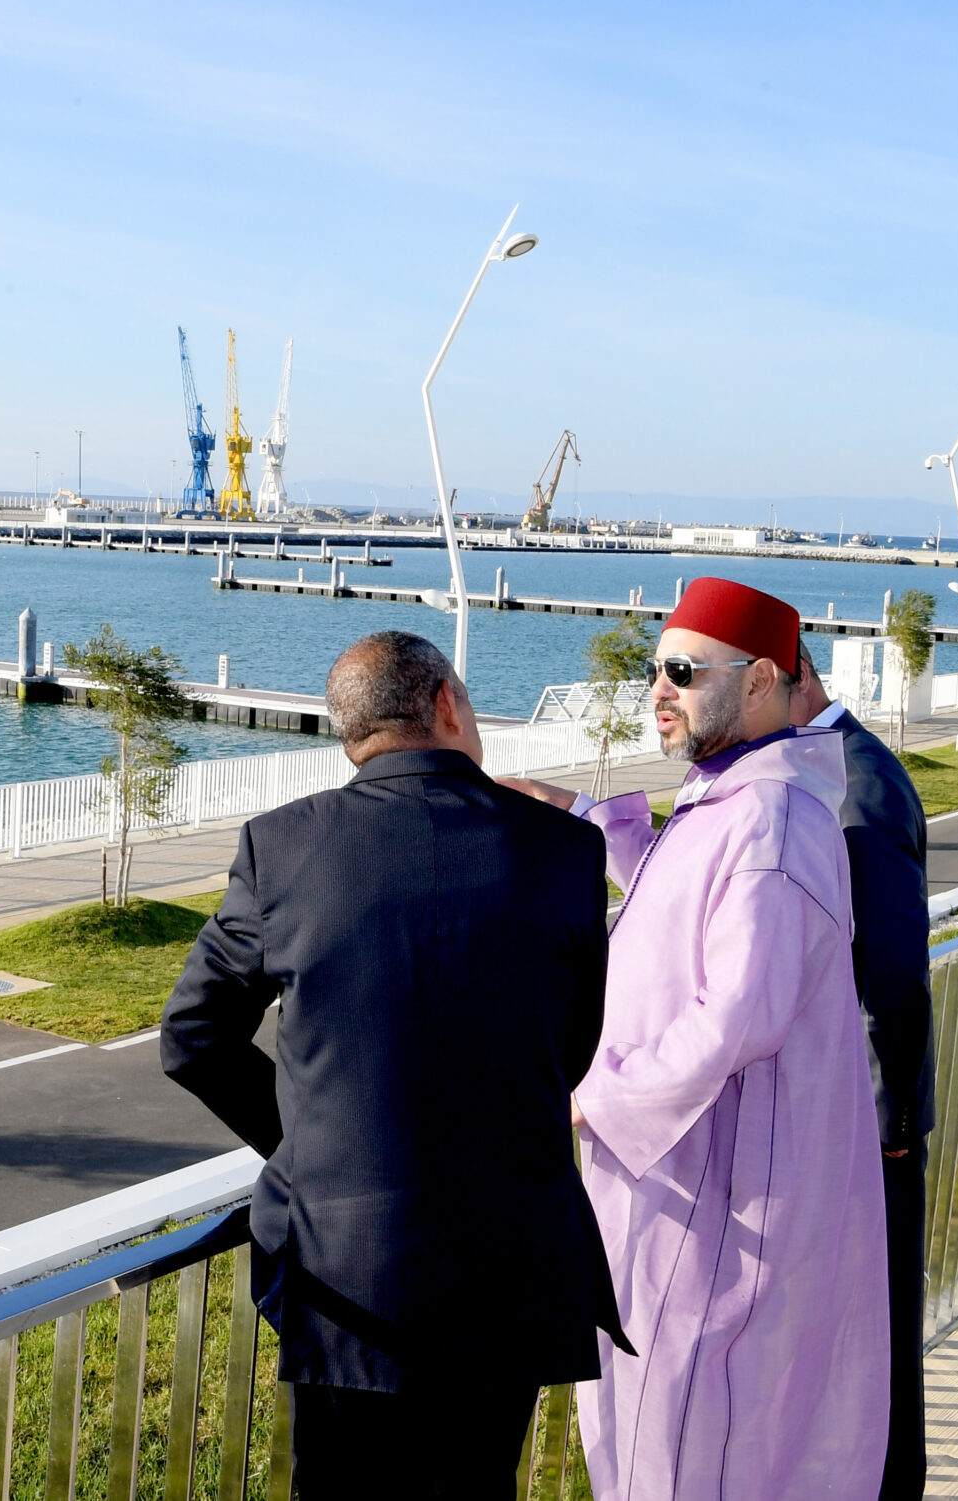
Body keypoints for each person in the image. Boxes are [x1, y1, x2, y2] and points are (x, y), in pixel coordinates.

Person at [162, 629, 629, 1499]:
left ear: (354, 733)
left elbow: (193, 1035)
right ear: (447, 704)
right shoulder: (564, 851)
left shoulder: (283, 848)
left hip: (344, 1267)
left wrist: (303, 1148)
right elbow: (573, 1045)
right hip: (507, 1258)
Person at [514, 577, 889, 1500]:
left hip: (713, 1213)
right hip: (692, 1195)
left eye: (683, 671)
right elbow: (686, 910)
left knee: (677, 1452)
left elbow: (739, 1011)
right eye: (655, 670)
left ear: (760, 679)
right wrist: (585, 821)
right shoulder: (739, 798)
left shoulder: (770, 817)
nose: (659, 691)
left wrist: (592, 1095)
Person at [793, 642, 935, 1501]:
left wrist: (888, 1130)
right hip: (838, 1122)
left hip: (870, 1132)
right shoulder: (822, 768)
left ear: (786, 676)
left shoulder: (860, 779)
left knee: (879, 1342)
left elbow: (893, 975)